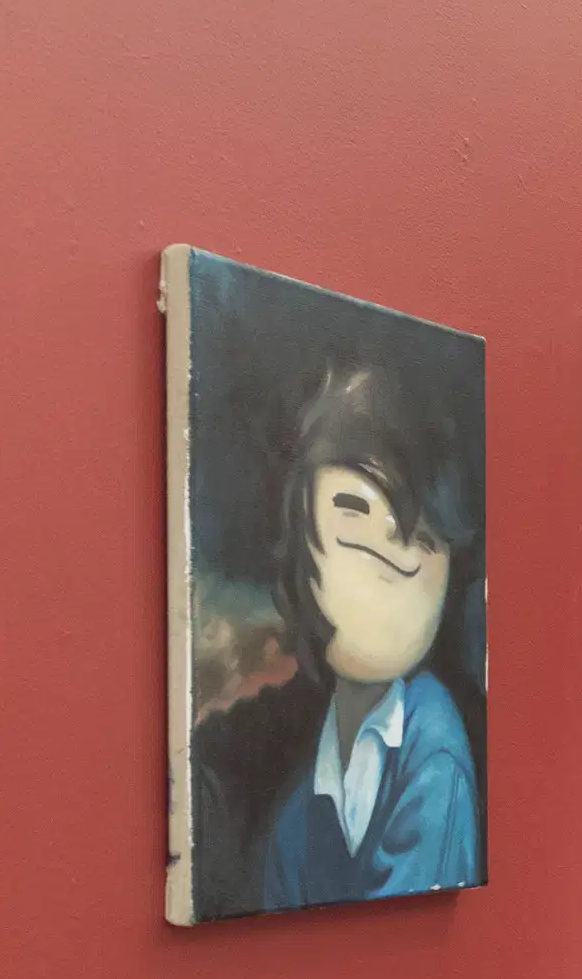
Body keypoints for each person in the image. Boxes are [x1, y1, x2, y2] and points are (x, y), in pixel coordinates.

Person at [196, 359, 484, 914]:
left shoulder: (433, 753)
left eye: (421, 540)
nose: (384, 565)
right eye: (352, 516)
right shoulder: (309, 791)